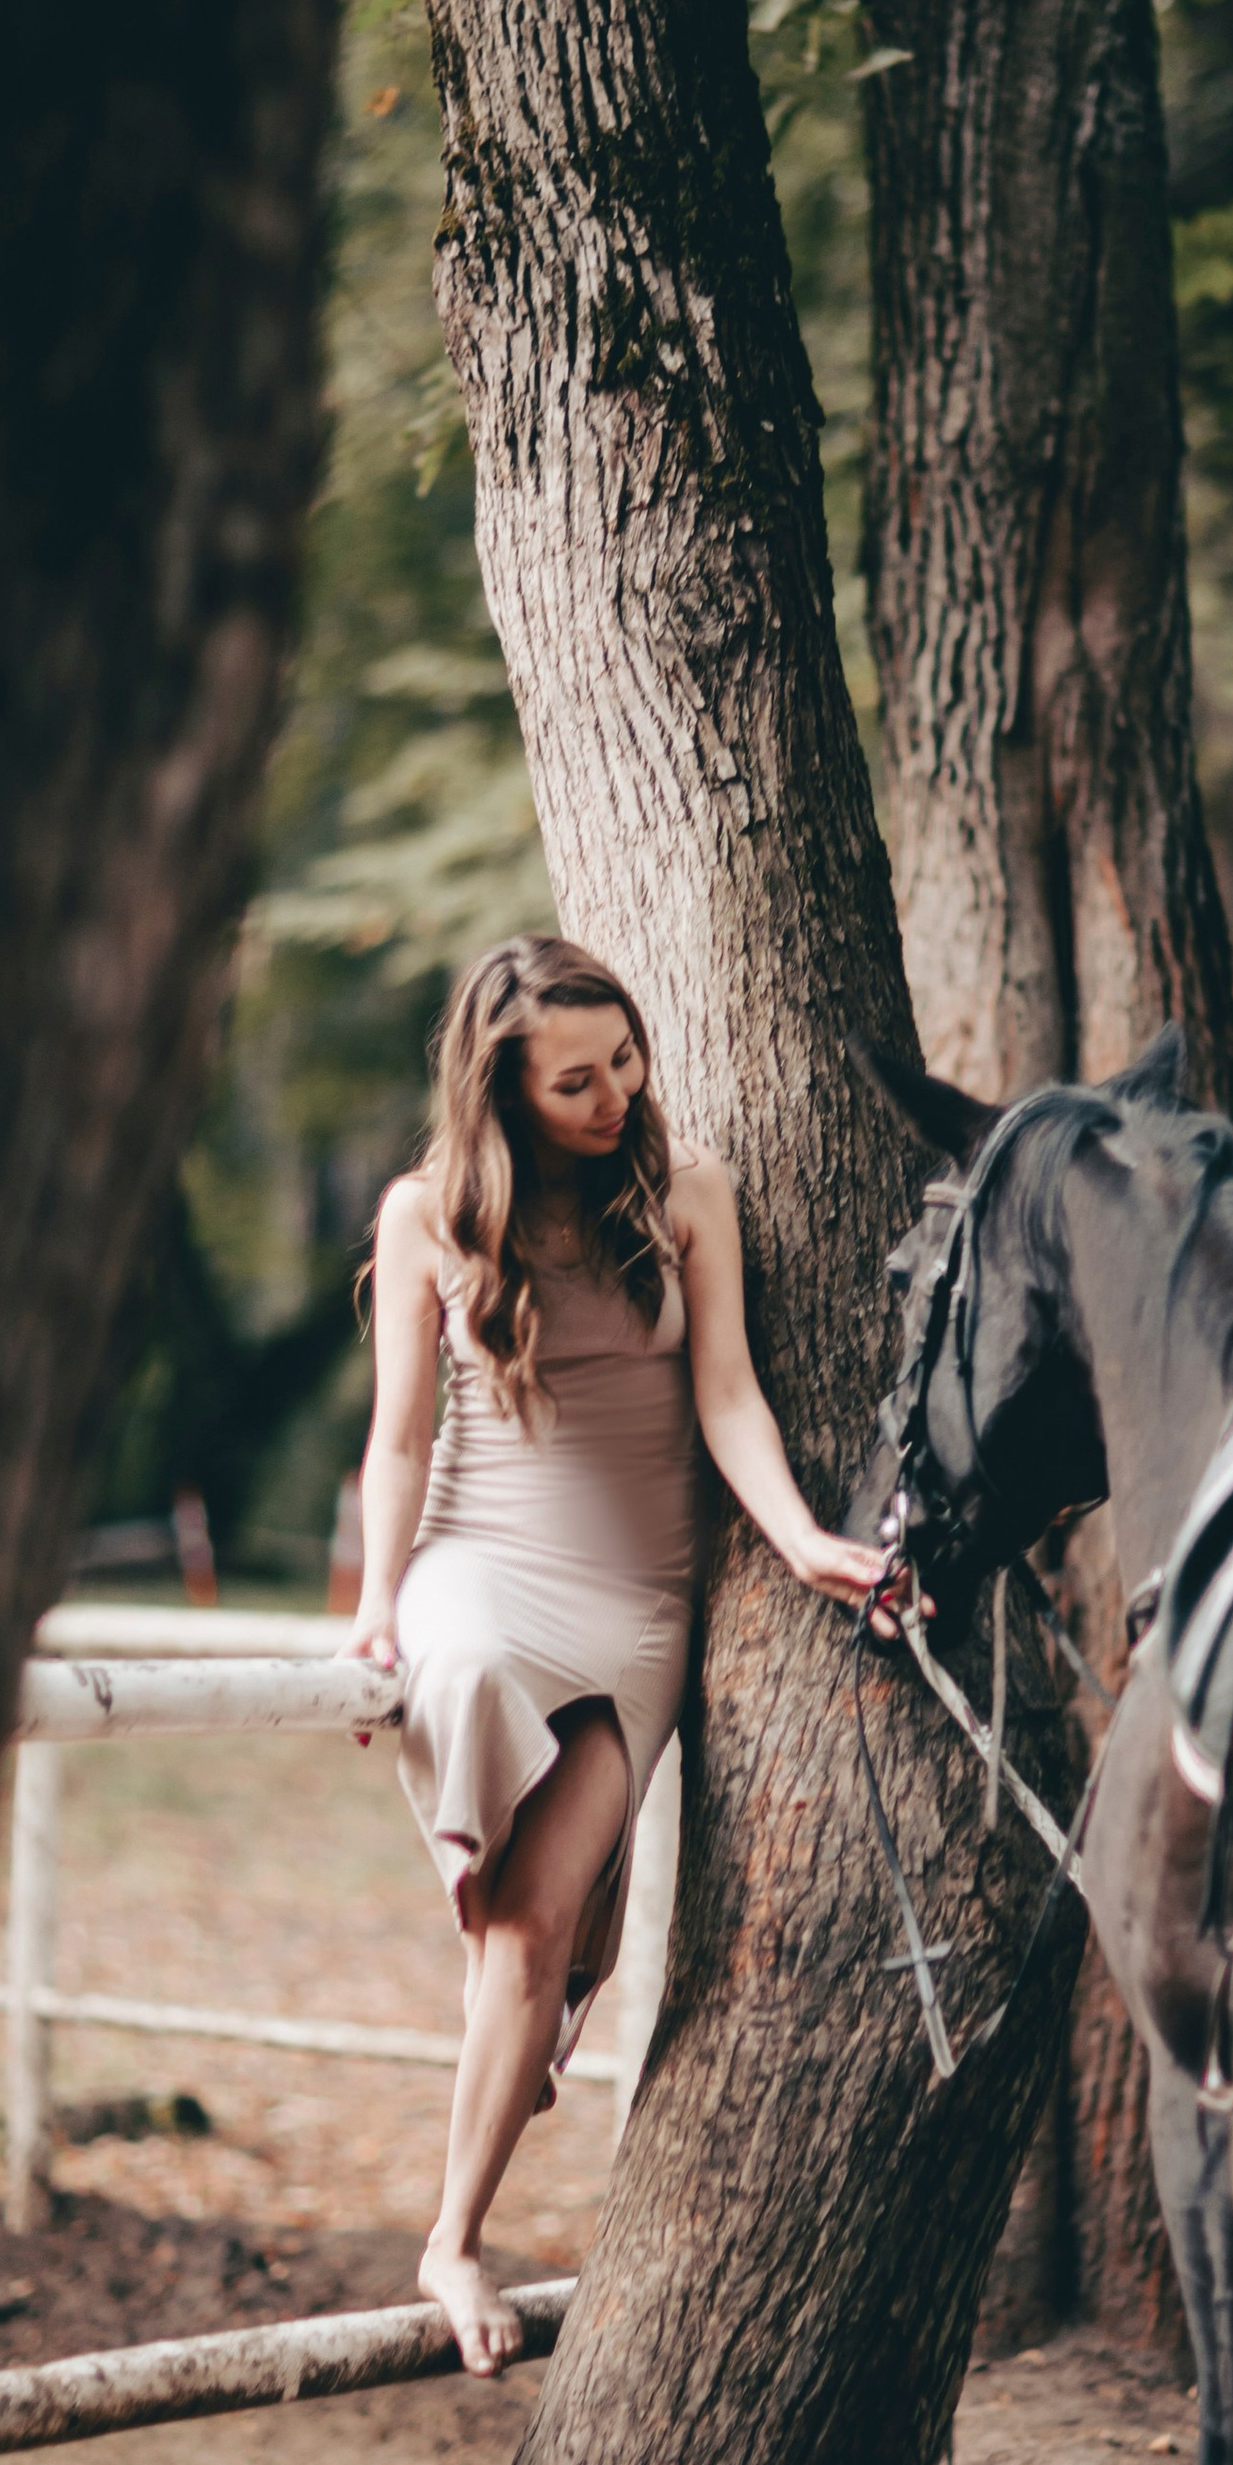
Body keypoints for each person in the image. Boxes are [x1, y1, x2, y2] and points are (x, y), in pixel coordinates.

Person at [349, 935, 885, 2372]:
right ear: (504, 1092)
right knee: (467, 1721)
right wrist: (375, 1602)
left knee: (537, 1913)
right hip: (479, 1566)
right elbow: (401, 1436)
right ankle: (464, 2209)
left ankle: (480, 2136)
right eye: (573, 1080)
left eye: (623, 1061)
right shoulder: (427, 1215)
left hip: (639, 1602)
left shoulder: (686, 1192)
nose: (612, 1095)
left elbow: (729, 1401)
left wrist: (804, 1539)